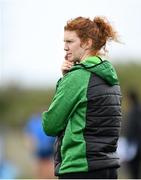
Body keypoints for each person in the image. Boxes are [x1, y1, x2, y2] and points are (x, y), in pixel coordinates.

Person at [42, 16, 122, 179]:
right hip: (108, 168)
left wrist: (65, 80)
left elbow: (50, 125)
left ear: (87, 43)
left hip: (79, 169)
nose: (65, 47)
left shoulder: (77, 77)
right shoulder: (111, 77)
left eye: (70, 42)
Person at [24, 112, 55, 179]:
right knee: (41, 168)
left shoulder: (35, 121)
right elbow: (29, 135)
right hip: (39, 148)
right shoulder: (32, 121)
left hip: (47, 147)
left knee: (48, 167)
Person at [125, 89, 141, 179]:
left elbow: (132, 129)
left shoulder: (134, 111)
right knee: (139, 170)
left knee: (134, 170)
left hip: (137, 145)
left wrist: (128, 141)